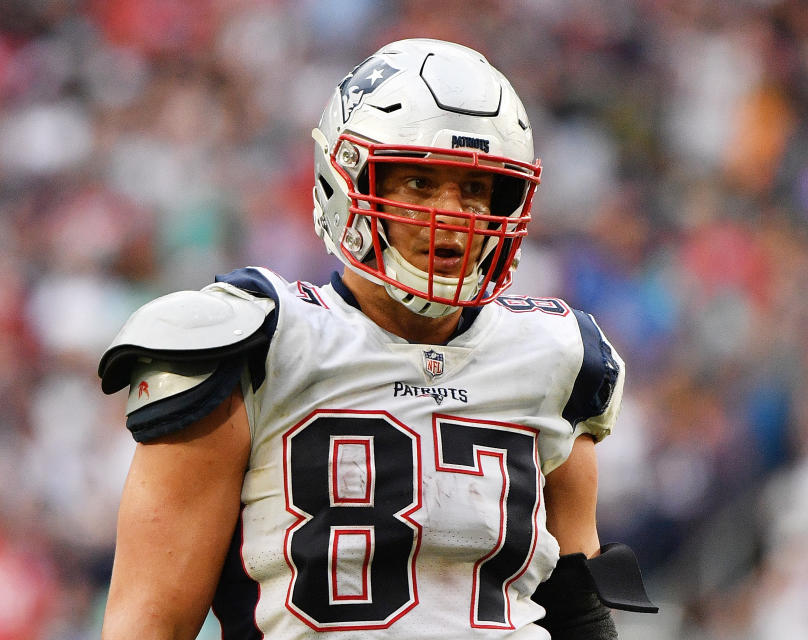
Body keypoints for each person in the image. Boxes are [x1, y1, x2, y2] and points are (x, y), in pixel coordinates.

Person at [98, 38, 655, 639]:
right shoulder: (256, 345)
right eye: (418, 183)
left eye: (475, 189)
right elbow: (149, 622)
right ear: (349, 180)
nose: (454, 215)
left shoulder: (558, 356)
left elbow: (577, 611)